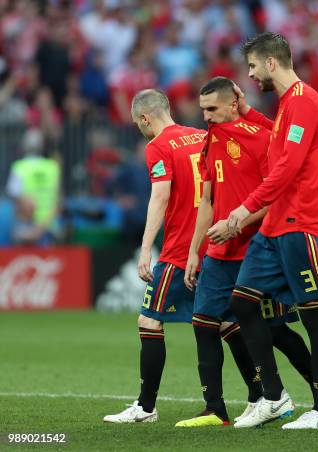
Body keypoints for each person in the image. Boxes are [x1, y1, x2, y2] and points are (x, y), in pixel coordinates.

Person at [175, 76, 312, 427]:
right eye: (202, 109)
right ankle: (215, 409)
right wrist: (195, 250)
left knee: (275, 329)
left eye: (212, 109)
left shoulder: (263, 140)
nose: (205, 116)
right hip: (219, 252)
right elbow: (207, 200)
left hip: (257, 250)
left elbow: (276, 197)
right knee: (204, 323)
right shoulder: (210, 141)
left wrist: (237, 223)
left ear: (232, 104)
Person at [224, 32, 318, 429]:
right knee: (241, 304)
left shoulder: (305, 100)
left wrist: (244, 208)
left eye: (253, 66)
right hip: (275, 228)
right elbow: (279, 140)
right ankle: (273, 397)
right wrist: (247, 113)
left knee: (313, 316)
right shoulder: (289, 104)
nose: (251, 75)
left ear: (271, 63)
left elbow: (287, 167)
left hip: (301, 224)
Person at [103, 89, 207, 423]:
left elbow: (160, 197)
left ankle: (146, 407)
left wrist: (146, 248)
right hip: (212, 245)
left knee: (149, 320)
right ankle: (271, 394)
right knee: (229, 324)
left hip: (178, 251)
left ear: (146, 118)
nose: (140, 129)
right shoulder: (202, 136)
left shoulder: (157, 146)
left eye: (137, 123)